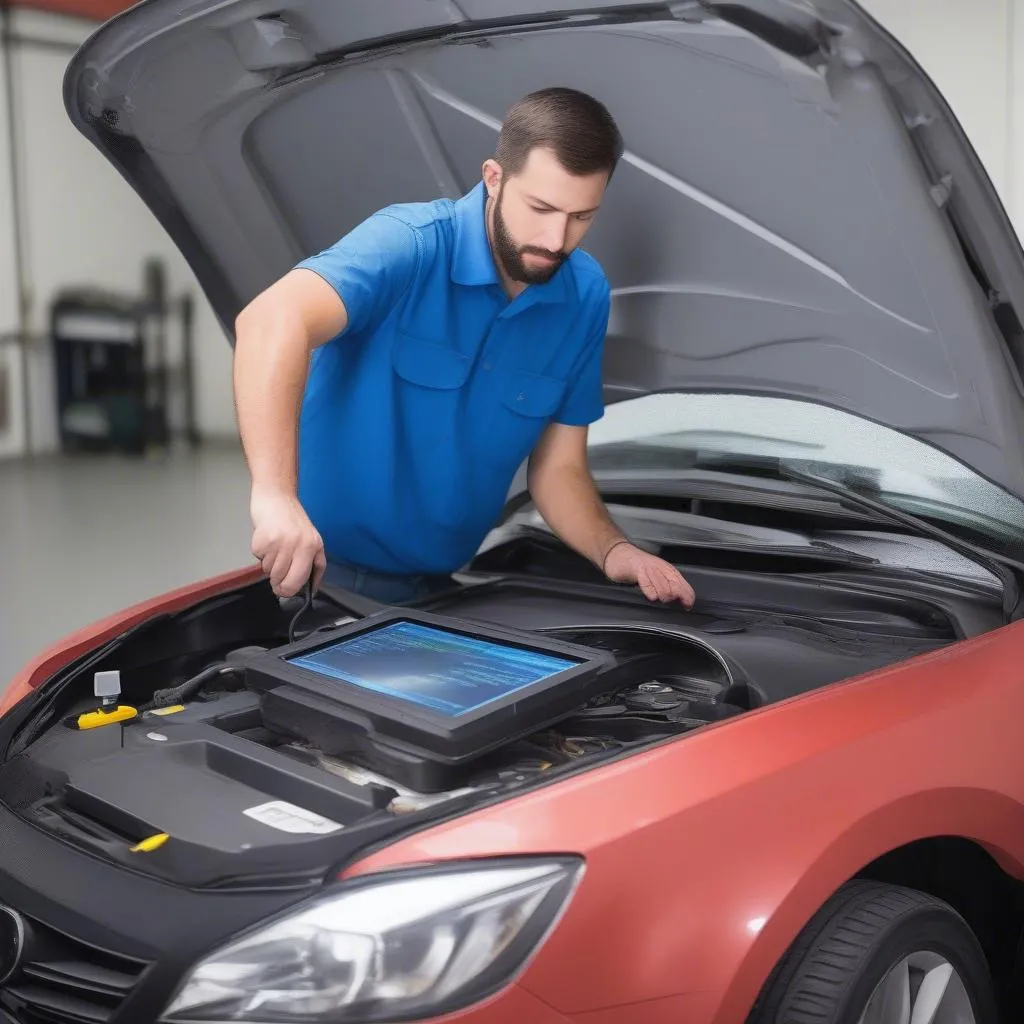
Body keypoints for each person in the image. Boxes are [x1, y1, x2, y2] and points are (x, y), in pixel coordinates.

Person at [232, 86, 695, 608]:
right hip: (311, 584)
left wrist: (615, 552)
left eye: (581, 216)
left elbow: (559, 469)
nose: (556, 238)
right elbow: (270, 321)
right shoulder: (408, 243)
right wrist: (274, 499)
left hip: (443, 596)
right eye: (540, 207)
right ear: (494, 178)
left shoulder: (585, 295)